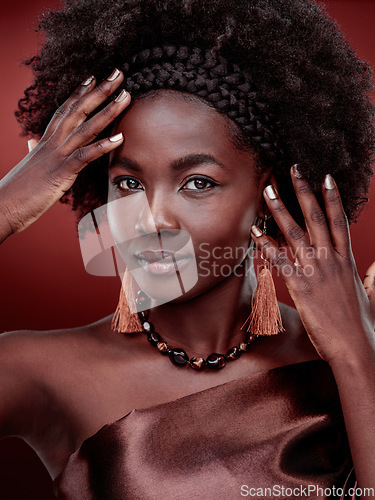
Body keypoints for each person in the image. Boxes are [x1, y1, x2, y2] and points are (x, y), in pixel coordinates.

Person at [0, 0, 375, 498]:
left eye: (197, 182)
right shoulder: (43, 372)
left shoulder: (351, 354)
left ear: (267, 196)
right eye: (129, 183)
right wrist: (5, 206)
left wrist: (355, 355)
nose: (152, 220)